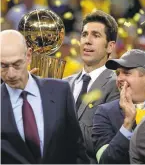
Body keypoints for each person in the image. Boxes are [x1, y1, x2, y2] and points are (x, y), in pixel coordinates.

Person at [1, 29, 89, 164]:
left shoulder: (61, 91)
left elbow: (77, 149)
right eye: (4, 66)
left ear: (29, 56)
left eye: (17, 64)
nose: (11, 73)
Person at [64, 10, 120, 163]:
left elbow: (103, 140)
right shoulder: (65, 83)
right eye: (84, 34)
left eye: (96, 35)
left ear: (110, 46)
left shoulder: (116, 85)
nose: (87, 41)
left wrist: (59, 121)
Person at [92, 49, 145, 164]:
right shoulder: (104, 112)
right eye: (117, 73)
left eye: (126, 73)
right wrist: (127, 124)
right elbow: (106, 161)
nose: (119, 79)